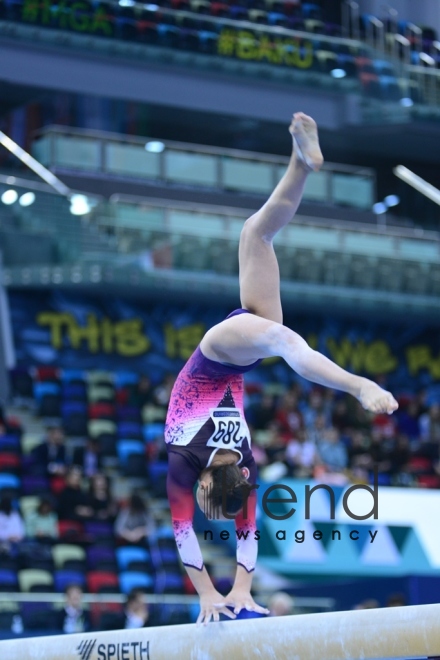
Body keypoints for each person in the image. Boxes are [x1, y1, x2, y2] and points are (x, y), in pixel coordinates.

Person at [164, 112, 398, 626]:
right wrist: (221, 592)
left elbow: (228, 531)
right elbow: (186, 529)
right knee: (259, 246)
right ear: (207, 485)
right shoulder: (190, 461)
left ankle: (303, 161)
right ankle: (301, 161)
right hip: (222, 355)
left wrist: (226, 592)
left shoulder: (239, 467)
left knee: (272, 292)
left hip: (222, 356)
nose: (202, 508)